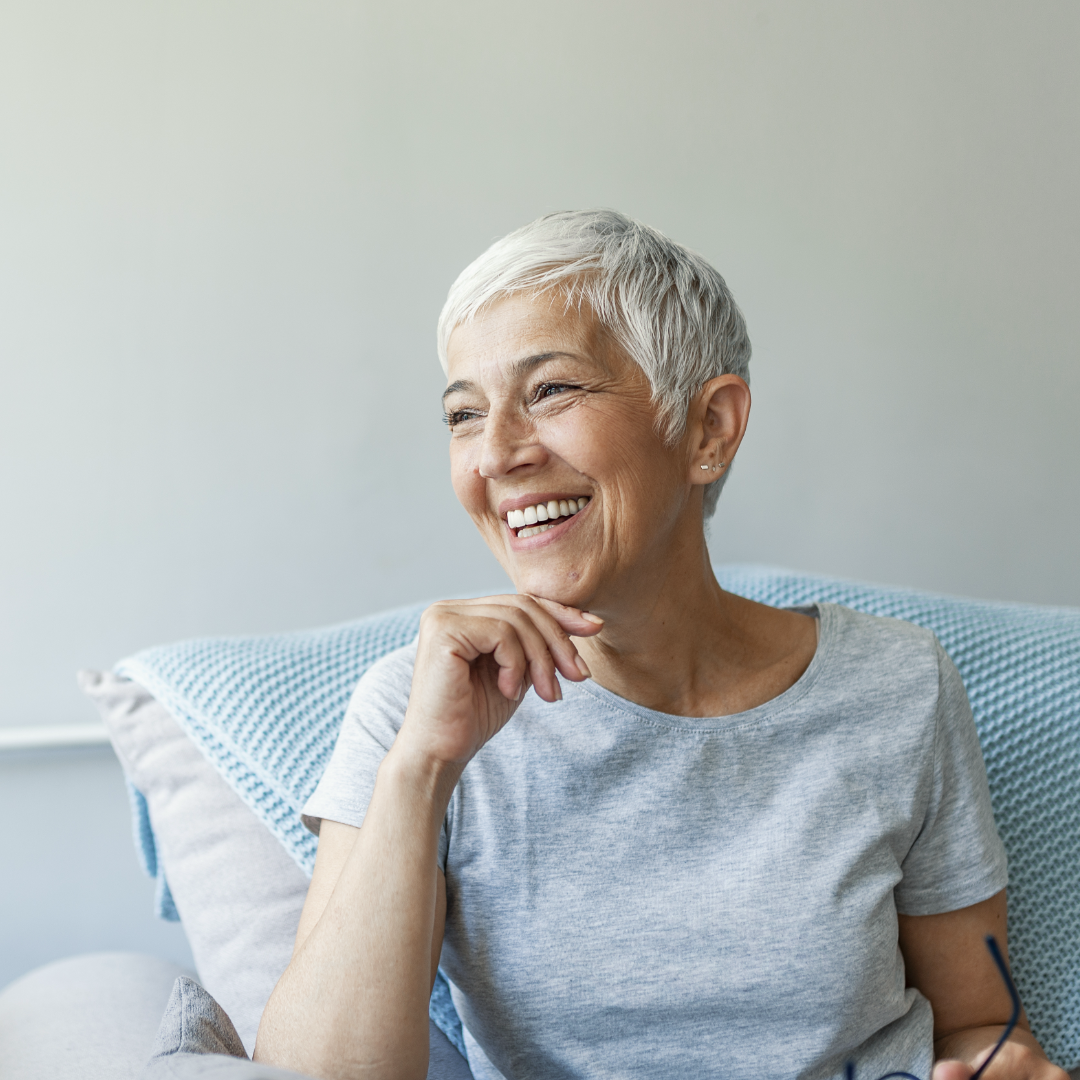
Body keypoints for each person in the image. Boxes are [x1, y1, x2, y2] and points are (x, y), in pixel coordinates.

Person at [254, 211, 1066, 1080]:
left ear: (710, 428)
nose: (494, 454)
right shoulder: (412, 709)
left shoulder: (899, 685)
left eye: (552, 392)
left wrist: (1001, 1065)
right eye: (463, 413)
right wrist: (421, 769)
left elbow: (978, 1023)